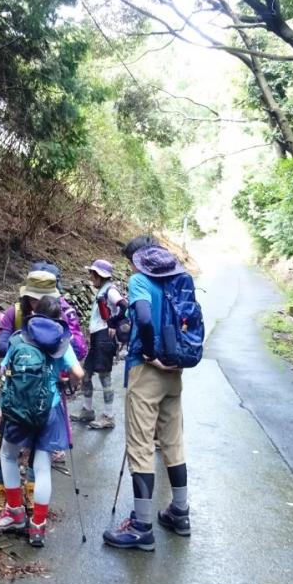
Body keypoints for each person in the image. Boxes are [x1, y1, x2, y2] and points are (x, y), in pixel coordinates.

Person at [103, 236, 192, 551]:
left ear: (136, 260)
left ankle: (141, 527)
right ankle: (179, 512)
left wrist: (152, 353)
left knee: (140, 446)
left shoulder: (140, 280)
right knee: (172, 442)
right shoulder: (178, 280)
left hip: (147, 371)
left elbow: (142, 316)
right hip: (175, 373)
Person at [0, 296, 84, 547]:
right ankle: (38, 526)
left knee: (8, 456)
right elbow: (78, 374)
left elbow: (4, 371)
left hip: (18, 409)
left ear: (34, 312)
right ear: (58, 319)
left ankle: (15, 512)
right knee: (42, 466)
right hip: (49, 410)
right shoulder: (62, 342)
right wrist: (64, 383)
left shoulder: (20, 337)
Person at [0, 271, 59, 511]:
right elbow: (3, 342)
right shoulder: (16, 313)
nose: (37, 302)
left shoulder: (58, 316)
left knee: (36, 454)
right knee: (5, 448)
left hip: (42, 397)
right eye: (34, 298)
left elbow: (77, 349)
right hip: (17, 392)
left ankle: (30, 496)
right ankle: (5, 500)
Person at [74, 259, 127, 429]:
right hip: (98, 338)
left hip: (105, 338)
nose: (90, 277)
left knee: (105, 377)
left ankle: (109, 416)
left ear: (99, 275)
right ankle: (87, 410)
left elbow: (124, 305)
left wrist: (112, 322)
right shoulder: (103, 290)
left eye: (92, 274)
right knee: (86, 374)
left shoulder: (110, 290)